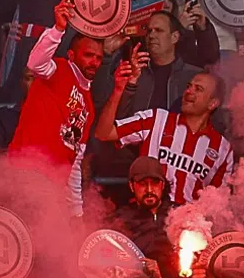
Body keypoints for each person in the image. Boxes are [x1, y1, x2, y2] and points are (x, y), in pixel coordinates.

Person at [7, 0, 101, 216]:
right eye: (88, 55)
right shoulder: (59, 69)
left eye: (99, 57)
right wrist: (58, 29)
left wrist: (76, 213)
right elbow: (35, 63)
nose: (94, 62)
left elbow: (75, 163)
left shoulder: (89, 105)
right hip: (27, 173)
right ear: (71, 55)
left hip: (55, 188)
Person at [96, 68, 231, 206]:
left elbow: (217, 203)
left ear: (212, 103)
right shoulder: (156, 119)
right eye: (188, 86)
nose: (189, 91)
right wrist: (118, 90)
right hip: (144, 217)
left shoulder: (223, 149)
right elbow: (104, 133)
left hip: (186, 223)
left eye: (198, 89)